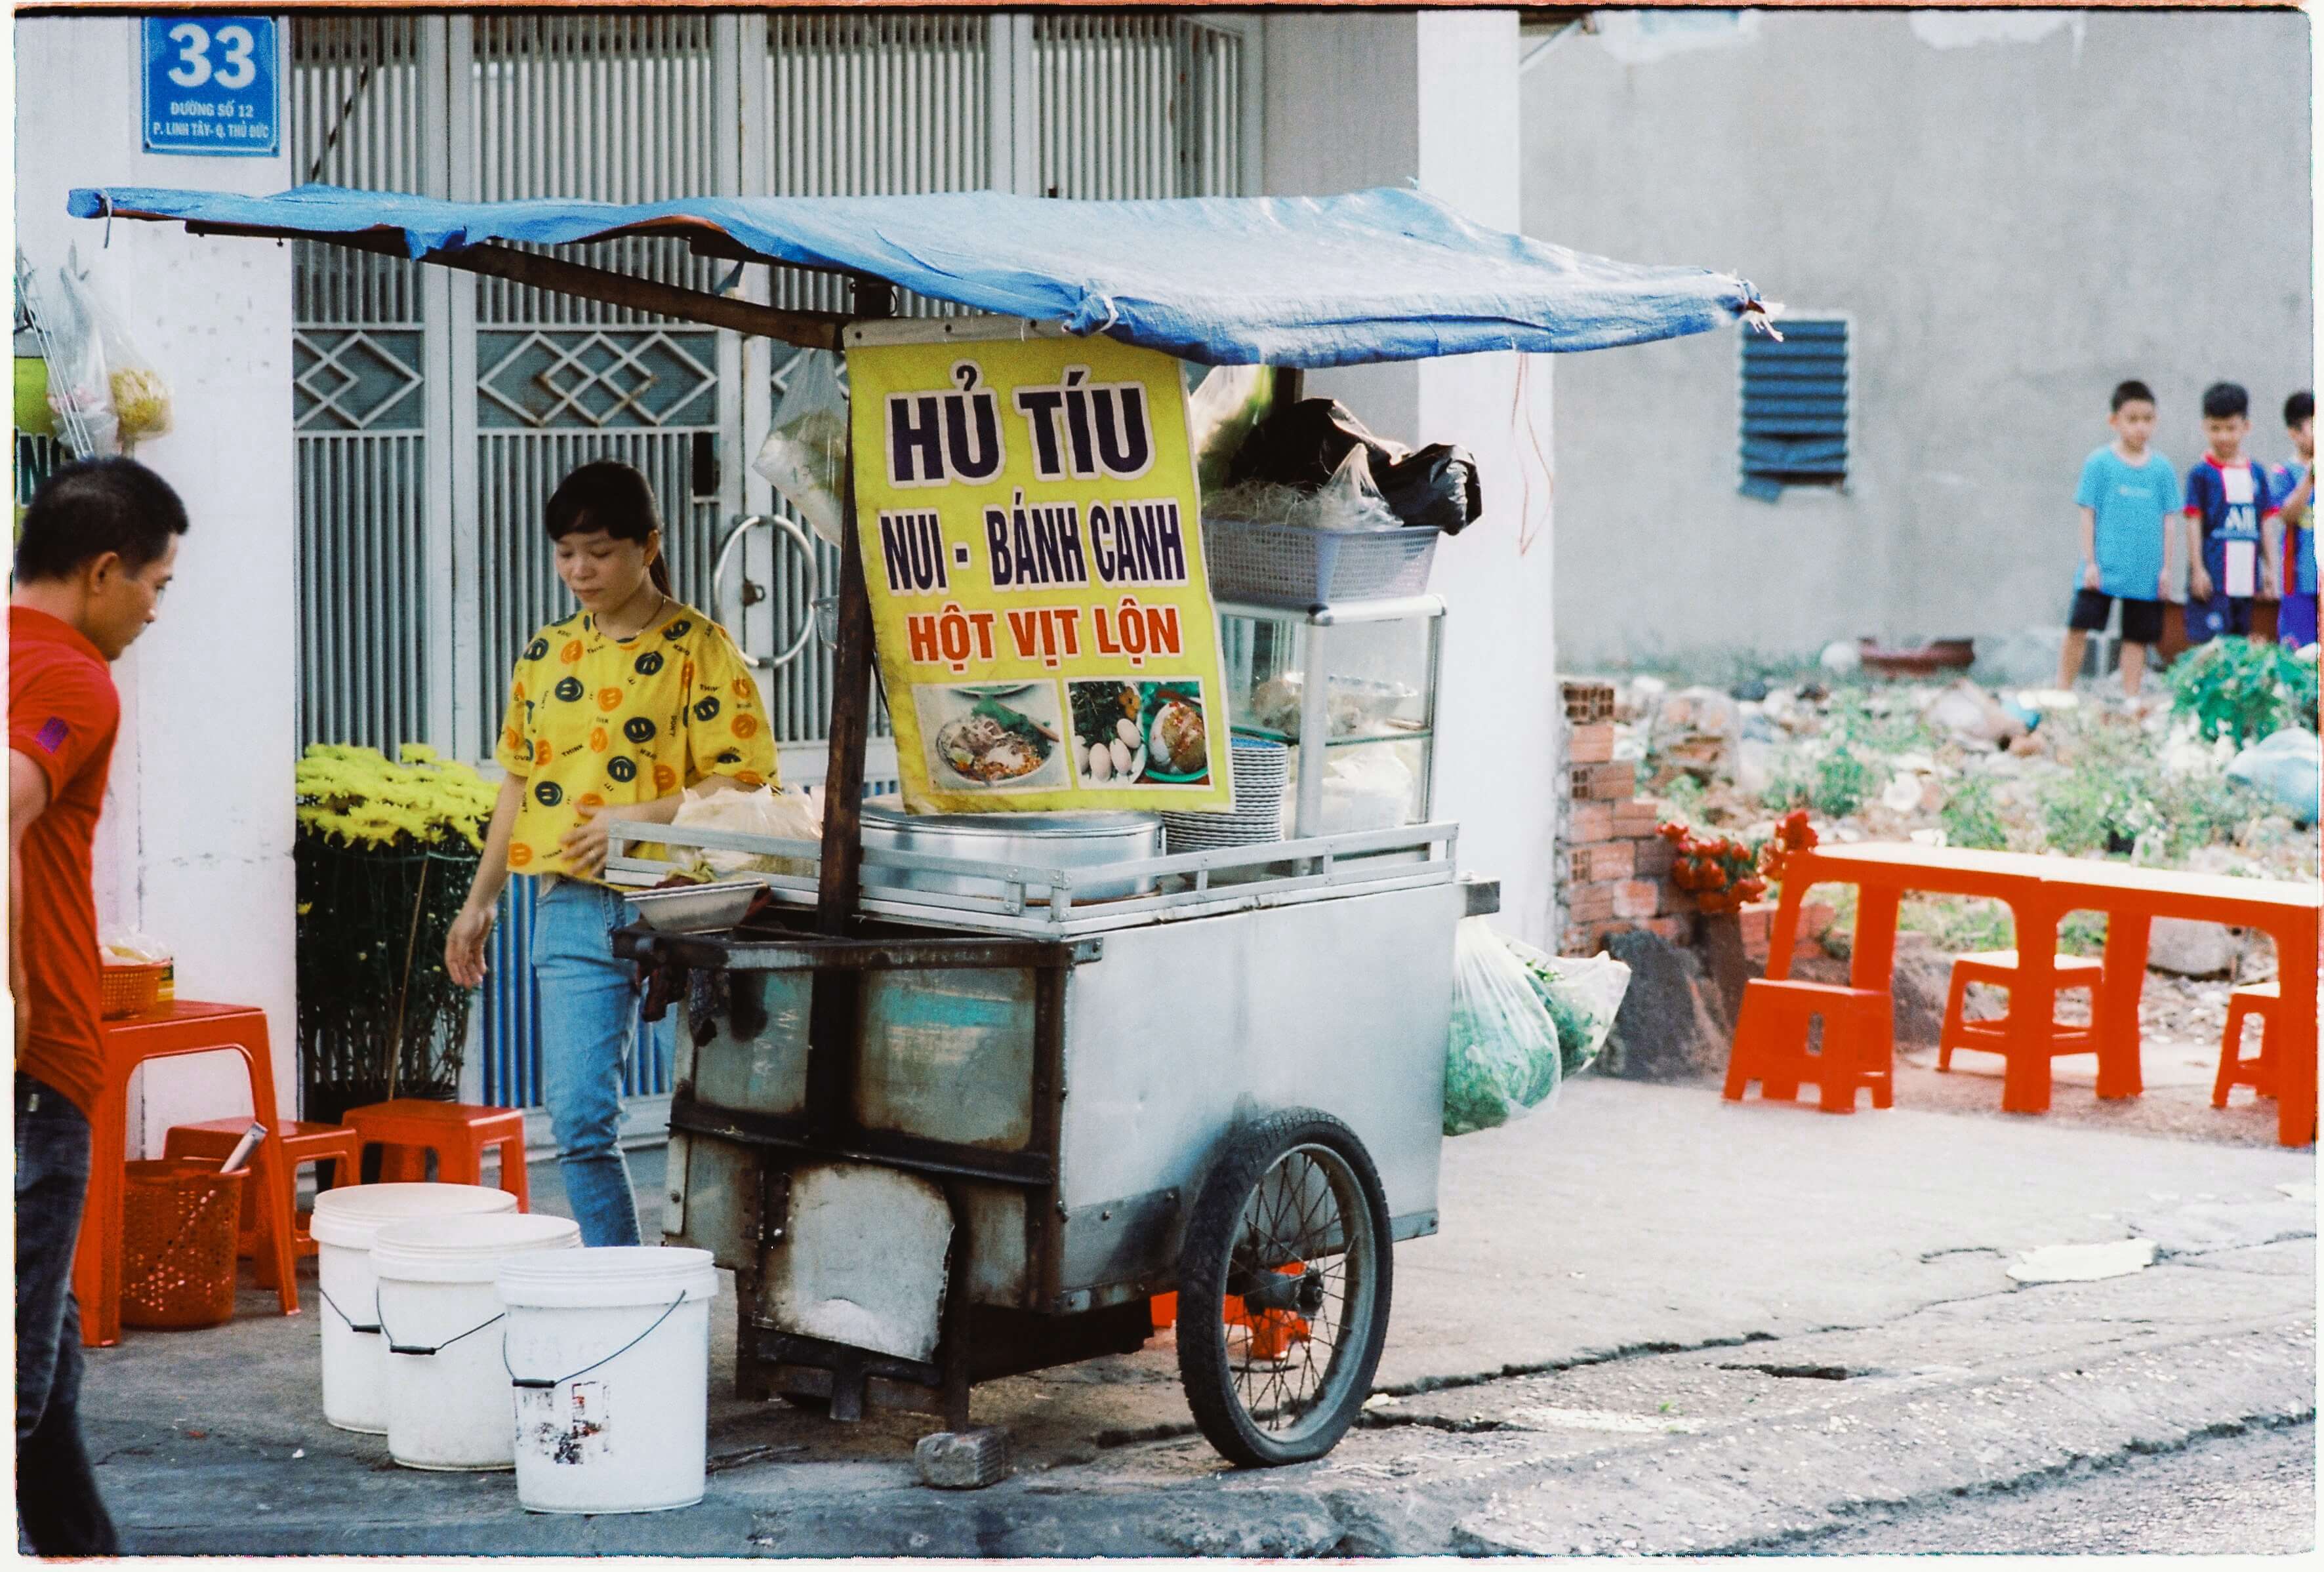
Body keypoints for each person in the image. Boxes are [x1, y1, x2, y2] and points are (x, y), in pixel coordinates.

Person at [443, 460, 775, 1247]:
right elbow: (518, 785)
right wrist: (480, 900)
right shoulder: (546, 653)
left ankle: (714, 1278)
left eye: (599, 550)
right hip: (570, 904)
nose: (579, 571)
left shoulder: (701, 647)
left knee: (728, 1112)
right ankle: (622, 1285)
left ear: (649, 545)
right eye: (565, 553)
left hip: (684, 903)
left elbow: (748, 778)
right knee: (580, 1119)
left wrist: (639, 815)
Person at [11, 457, 188, 1556]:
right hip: (43, 1066)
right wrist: (18, 996)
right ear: (104, 570)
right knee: (17, 1373)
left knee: (49, 1365)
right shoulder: (74, 677)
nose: (155, 610)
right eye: (157, 585)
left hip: (34, 1061)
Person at [2058, 380, 2178, 698]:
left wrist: (2165, 569)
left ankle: (2131, 699)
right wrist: (2090, 562)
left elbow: (2169, 522)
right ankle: (2062, 691)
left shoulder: (2162, 469)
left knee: (2136, 637)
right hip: (2104, 566)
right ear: (2115, 421)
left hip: (2144, 570)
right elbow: (2088, 514)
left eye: (2147, 419)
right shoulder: (2099, 463)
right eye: (2132, 419)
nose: (2140, 427)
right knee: (2078, 628)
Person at [2181, 382, 2282, 645]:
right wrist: (2197, 569)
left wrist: (2271, 569)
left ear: (2245, 427)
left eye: (2230, 428)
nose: (2224, 436)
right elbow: (2193, 522)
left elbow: (2266, 525)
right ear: (2205, 426)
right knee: (2210, 646)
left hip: (2246, 581)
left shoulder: (2257, 474)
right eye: (2216, 428)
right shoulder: (2201, 474)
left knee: (2239, 646)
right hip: (2213, 579)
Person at [2269, 390, 2314, 649]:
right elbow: (2286, 515)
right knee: (2299, 650)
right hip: (2297, 576)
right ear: (2294, 432)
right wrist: (2309, 478)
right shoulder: (2284, 473)